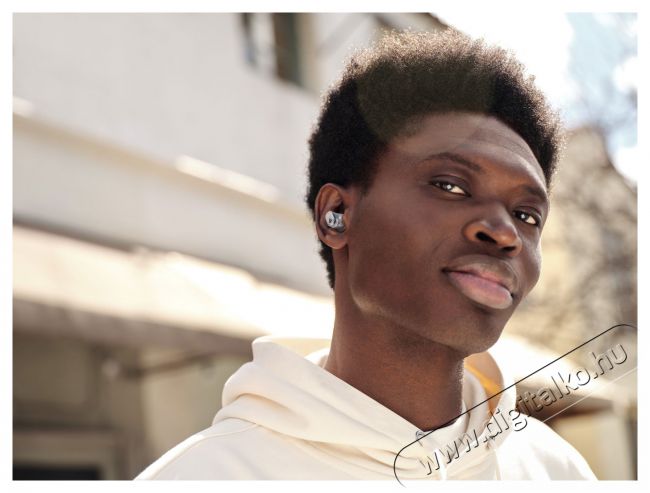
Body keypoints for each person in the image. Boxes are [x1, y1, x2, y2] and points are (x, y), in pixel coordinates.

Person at [135, 28, 596, 481]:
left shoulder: (556, 470)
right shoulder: (204, 476)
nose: (505, 233)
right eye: (450, 186)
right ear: (336, 215)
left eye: (526, 215)